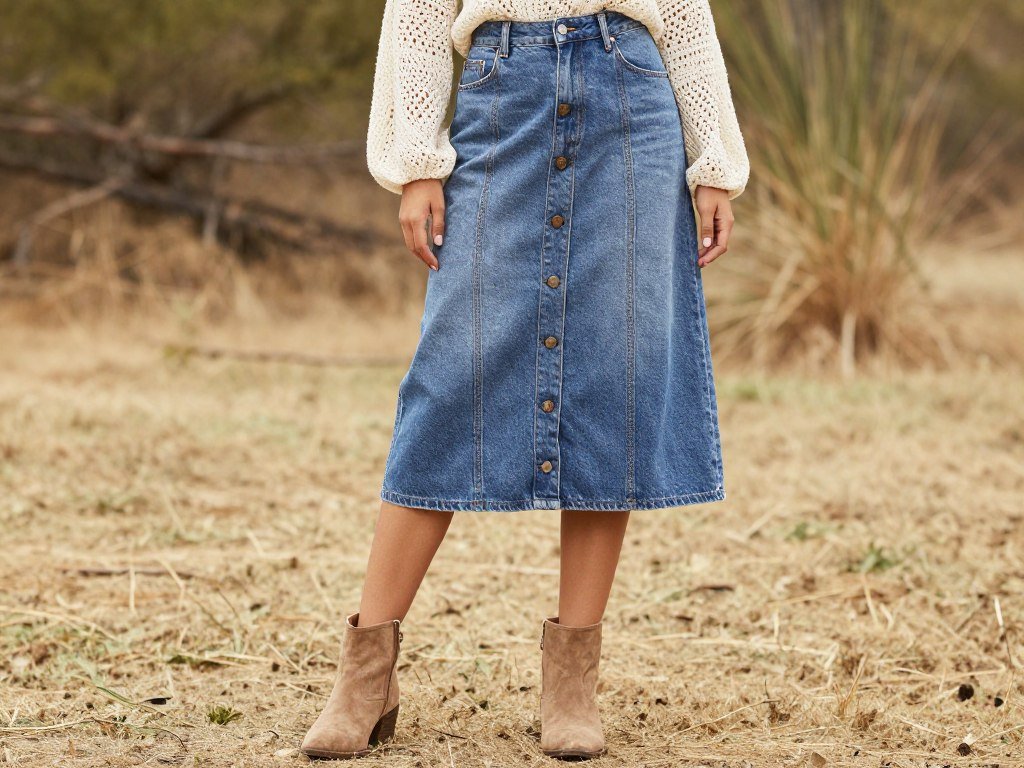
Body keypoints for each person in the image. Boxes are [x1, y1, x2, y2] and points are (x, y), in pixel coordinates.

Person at [301, 0, 748, 760]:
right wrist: (417, 163)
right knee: (448, 380)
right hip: (501, 93)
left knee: (619, 377)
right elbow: (416, 22)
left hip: (633, 99)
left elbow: (687, 20)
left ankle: (572, 681)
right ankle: (366, 674)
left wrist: (715, 163)